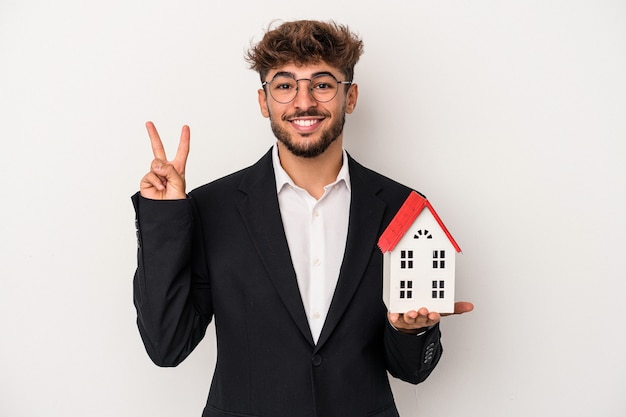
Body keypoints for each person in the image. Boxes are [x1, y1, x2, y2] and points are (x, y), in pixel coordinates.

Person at [132, 20, 473, 417]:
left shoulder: (404, 208)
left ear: (350, 97)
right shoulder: (212, 207)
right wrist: (165, 215)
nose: (303, 101)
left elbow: (412, 371)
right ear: (264, 102)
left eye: (323, 84)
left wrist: (410, 330)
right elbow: (166, 346)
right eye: (284, 85)